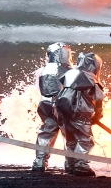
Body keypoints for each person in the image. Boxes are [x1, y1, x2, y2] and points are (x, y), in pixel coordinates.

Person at [55, 52, 105, 176]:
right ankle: (81, 165)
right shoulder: (90, 76)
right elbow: (98, 97)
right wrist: (98, 114)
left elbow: (61, 87)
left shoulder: (69, 72)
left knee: (70, 139)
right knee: (85, 139)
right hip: (80, 109)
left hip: (62, 109)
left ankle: (70, 163)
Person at [32, 42, 73, 172]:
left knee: (47, 131)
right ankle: (71, 163)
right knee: (70, 133)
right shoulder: (67, 70)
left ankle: (39, 161)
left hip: (45, 103)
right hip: (62, 104)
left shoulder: (45, 70)